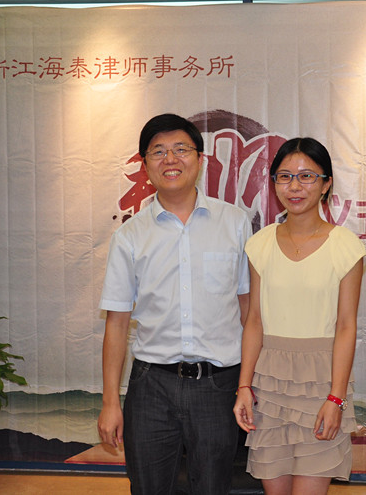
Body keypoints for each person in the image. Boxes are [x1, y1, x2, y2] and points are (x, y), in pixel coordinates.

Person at [97, 113, 252, 495]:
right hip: (151, 386)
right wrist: (110, 402)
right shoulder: (129, 236)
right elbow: (116, 323)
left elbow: (249, 310)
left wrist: (249, 382)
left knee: (213, 487)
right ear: (145, 164)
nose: (170, 159)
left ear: (200, 158)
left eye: (181, 149)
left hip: (218, 384)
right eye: (158, 151)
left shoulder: (235, 223)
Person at [233, 137, 365, 495]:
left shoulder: (346, 246)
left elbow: (346, 326)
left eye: (307, 176)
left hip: (321, 384)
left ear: (326, 184)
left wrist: (336, 398)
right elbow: (254, 321)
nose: (294, 186)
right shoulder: (259, 244)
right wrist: (244, 386)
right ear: (274, 183)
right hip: (269, 386)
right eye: (284, 176)